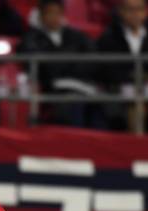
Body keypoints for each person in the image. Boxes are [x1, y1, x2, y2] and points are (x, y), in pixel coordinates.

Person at [17, 0, 100, 128]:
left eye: (58, 13)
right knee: (72, 105)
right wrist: (71, 62)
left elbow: (93, 59)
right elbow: (44, 68)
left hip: (82, 86)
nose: (54, 17)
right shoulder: (31, 38)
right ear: (40, 16)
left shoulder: (76, 36)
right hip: (51, 91)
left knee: (106, 105)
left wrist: (66, 67)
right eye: (50, 13)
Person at [98, 0, 148, 134]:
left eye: (139, 9)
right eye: (130, 10)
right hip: (123, 90)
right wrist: (131, 83)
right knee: (137, 107)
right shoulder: (109, 37)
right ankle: (137, 145)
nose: (135, 14)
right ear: (121, 12)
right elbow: (107, 71)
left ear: (146, 12)